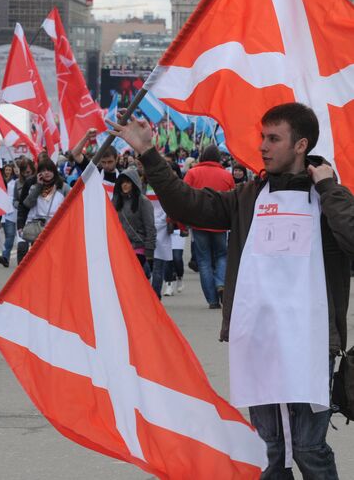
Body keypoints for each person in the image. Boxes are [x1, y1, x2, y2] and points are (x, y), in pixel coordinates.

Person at [109, 102, 354, 479]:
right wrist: (147, 152)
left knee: (308, 448)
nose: (262, 146)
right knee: (270, 449)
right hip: (258, 342)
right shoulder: (248, 197)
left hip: (312, 345)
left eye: (274, 138)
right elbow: (186, 205)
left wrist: (328, 187)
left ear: (301, 144)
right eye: (262, 137)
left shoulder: (328, 198)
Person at [184, 145, 235, 308]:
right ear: (219, 158)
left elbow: (183, 195)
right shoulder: (227, 175)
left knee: (204, 260)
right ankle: (220, 282)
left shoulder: (192, 173)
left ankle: (212, 300)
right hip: (220, 223)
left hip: (199, 222)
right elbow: (233, 199)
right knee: (222, 255)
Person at [18, 158, 69, 253]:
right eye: (43, 170)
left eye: (49, 170)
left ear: (54, 171)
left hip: (57, 229)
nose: (46, 173)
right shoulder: (34, 187)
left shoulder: (63, 187)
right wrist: (38, 186)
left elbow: (72, 204)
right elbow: (27, 204)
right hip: (38, 231)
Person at [112, 169, 156, 268]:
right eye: (122, 182)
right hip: (121, 247)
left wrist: (149, 252)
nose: (124, 185)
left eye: (127, 182)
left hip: (138, 247)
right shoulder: (116, 201)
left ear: (134, 183)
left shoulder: (143, 201)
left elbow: (150, 227)